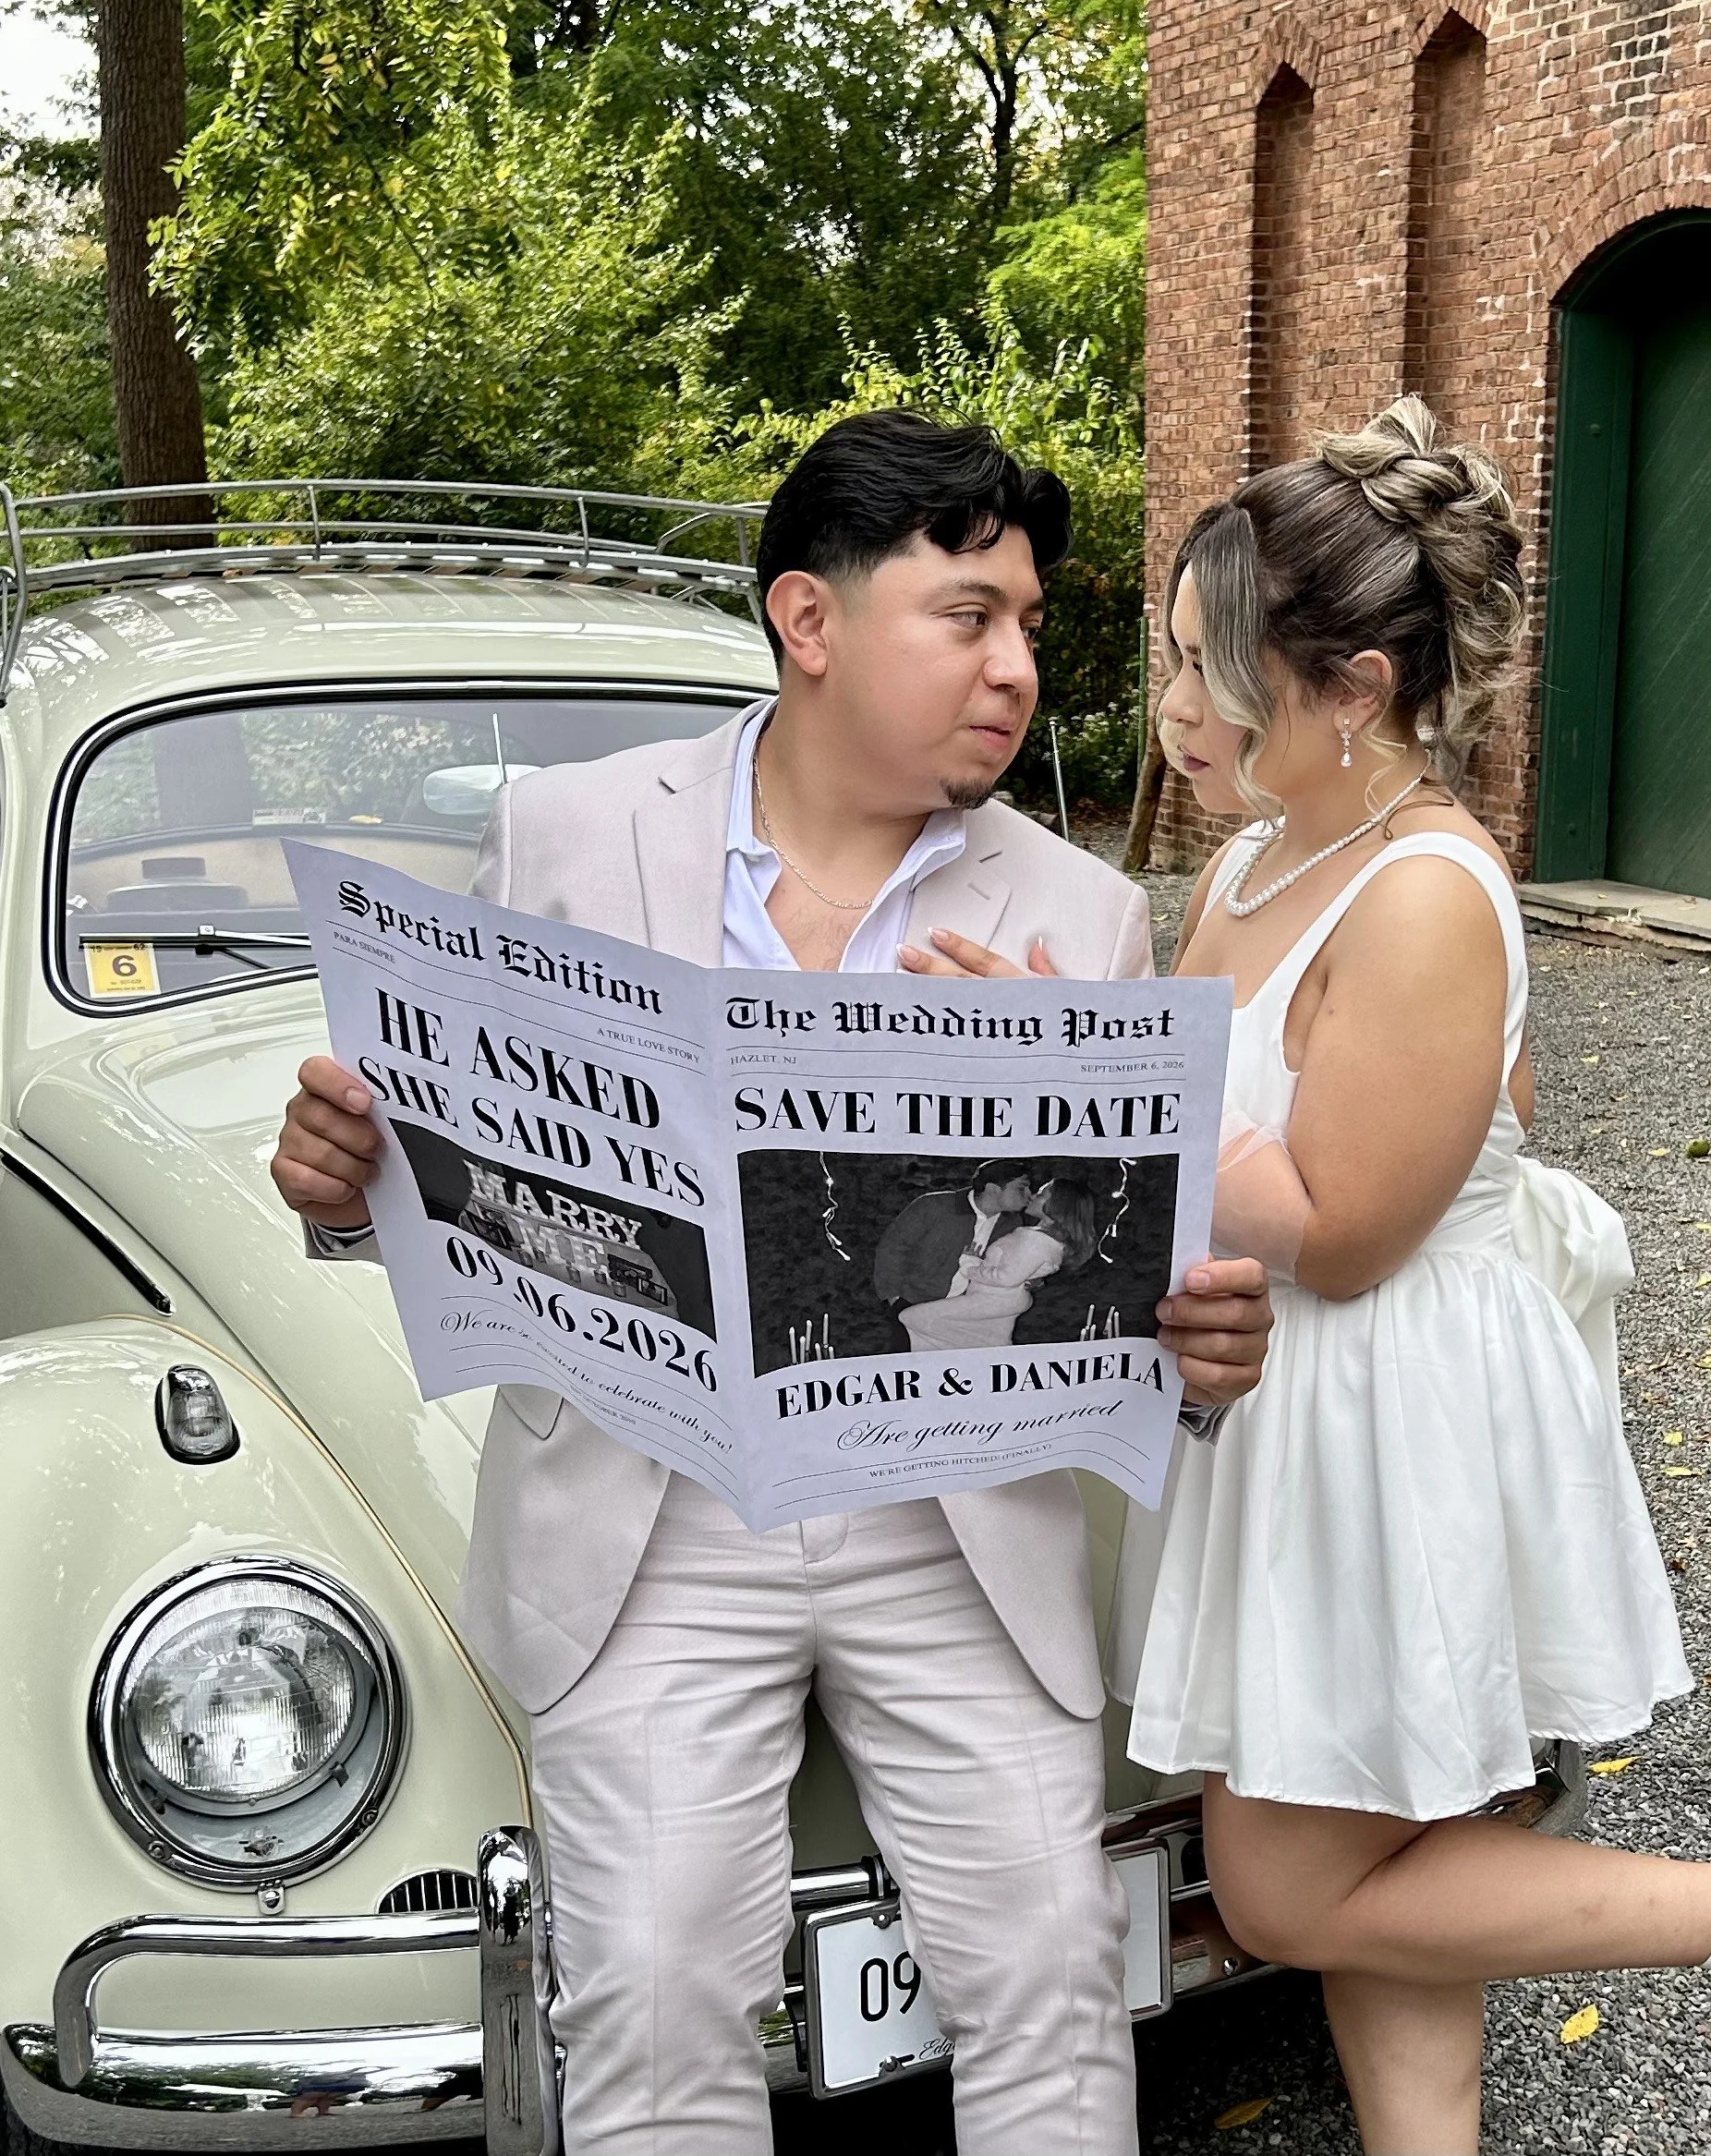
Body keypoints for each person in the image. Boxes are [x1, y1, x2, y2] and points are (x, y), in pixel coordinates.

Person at [269, 410, 1273, 2156]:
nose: (1015, 667)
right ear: (808, 621)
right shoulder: (567, 836)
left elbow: (1146, 1311)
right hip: (649, 1516)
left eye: (1027, 623)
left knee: (1049, 1981)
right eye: (966, 617)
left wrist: (1199, 1349)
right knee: (650, 2001)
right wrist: (350, 1189)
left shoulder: (1081, 917)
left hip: (954, 1520)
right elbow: (463, 1177)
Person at [1115, 398, 1711, 2155]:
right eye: (1170, 659)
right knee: (1391, 1844)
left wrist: (1087, 1062)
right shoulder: (1254, 856)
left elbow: (1338, 1222)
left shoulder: (1423, 888)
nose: (1175, 708)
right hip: (1289, 1402)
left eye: (1211, 666)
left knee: (1281, 1881)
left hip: (1386, 1404)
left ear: (1355, 686)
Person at [898, 1173, 1098, 1353]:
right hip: (998, 1298)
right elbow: (1023, 1269)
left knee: (914, 1318)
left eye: (1041, 1194)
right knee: (990, 1346)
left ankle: (945, 1365)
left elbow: (1006, 1277)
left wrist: (970, 1265)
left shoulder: (1036, 1240)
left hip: (995, 1299)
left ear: (1057, 1205)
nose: (1032, 1196)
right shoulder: (1039, 1236)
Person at [873, 1160, 1035, 1329]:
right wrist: (894, 1297)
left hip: (965, 1315)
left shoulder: (1012, 1223)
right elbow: (893, 1248)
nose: (1029, 1195)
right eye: (1021, 1188)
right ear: (993, 1188)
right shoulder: (934, 1206)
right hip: (913, 1305)